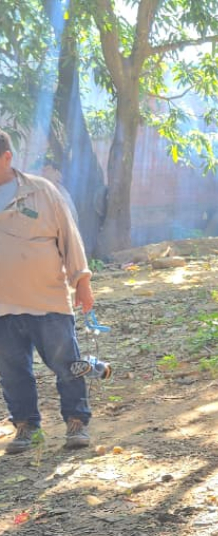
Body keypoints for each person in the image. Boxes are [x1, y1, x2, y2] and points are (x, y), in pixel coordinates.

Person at [0, 129, 95, 453]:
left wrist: (82, 282)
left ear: (7, 157)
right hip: (3, 304)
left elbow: (69, 236)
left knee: (67, 364)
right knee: (12, 371)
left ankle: (76, 422)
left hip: (48, 298)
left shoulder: (41, 191)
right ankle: (26, 427)